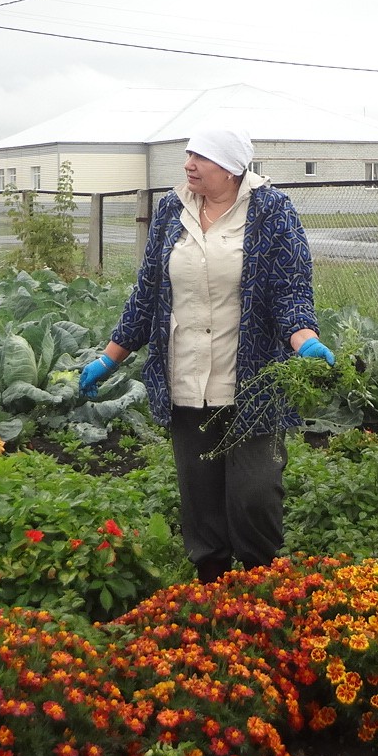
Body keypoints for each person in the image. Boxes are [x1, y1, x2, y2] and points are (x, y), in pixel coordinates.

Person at [80, 125, 334, 583]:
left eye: (201, 157)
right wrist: (109, 357)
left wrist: (304, 339)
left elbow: (290, 289)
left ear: (232, 168)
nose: (189, 165)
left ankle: (259, 587)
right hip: (187, 378)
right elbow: (148, 292)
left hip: (253, 381)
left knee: (256, 493)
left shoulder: (272, 210)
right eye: (188, 155)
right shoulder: (171, 209)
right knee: (200, 498)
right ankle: (212, 589)